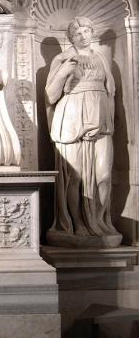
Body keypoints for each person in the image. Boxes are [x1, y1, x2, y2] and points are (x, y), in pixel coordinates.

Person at [45, 17, 121, 245]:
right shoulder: (61, 58)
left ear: (92, 33)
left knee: (104, 176)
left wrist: (109, 120)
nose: (83, 35)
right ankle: (77, 222)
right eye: (78, 33)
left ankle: (100, 221)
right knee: (74, 178)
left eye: (87, 31)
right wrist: (62, 73)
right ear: (71, 38)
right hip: (71, 120)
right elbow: (50, 96)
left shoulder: (102, 59)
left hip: (100, 122)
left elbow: (111, 93)